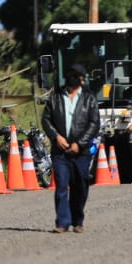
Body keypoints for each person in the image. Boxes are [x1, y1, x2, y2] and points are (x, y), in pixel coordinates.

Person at [41, 63, 100, 233]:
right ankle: (62, 222)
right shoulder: (56, 97)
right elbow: (46, 119)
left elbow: (94, 123)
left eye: (78, 76)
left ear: (82, 79)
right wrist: (56, 137)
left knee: (80, 185)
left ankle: (77, 220)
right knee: (61, 185)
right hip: (60, 151)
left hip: (81, 152)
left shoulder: (89, 98)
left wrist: (80, 143)